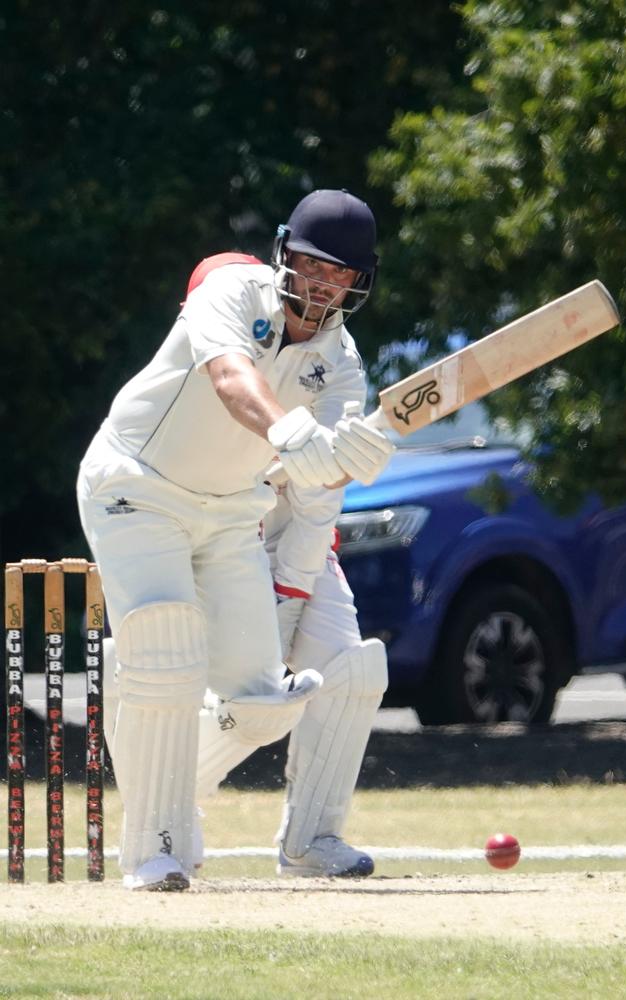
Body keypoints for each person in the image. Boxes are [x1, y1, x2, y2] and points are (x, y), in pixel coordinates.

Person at [77, 189, 394, 890]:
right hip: (138, 485)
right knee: (168, 646)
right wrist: (290, 431)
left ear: (356, 282)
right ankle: (155, 850)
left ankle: (162, 768)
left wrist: (357, 454)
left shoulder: (340, 361)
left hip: (228, 515)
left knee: (259, 702)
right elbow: (230, 377)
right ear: (286, 253)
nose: (319, 281)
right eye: (310, 263)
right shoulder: (229, 289)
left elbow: (332, 455)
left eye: (337, 272)